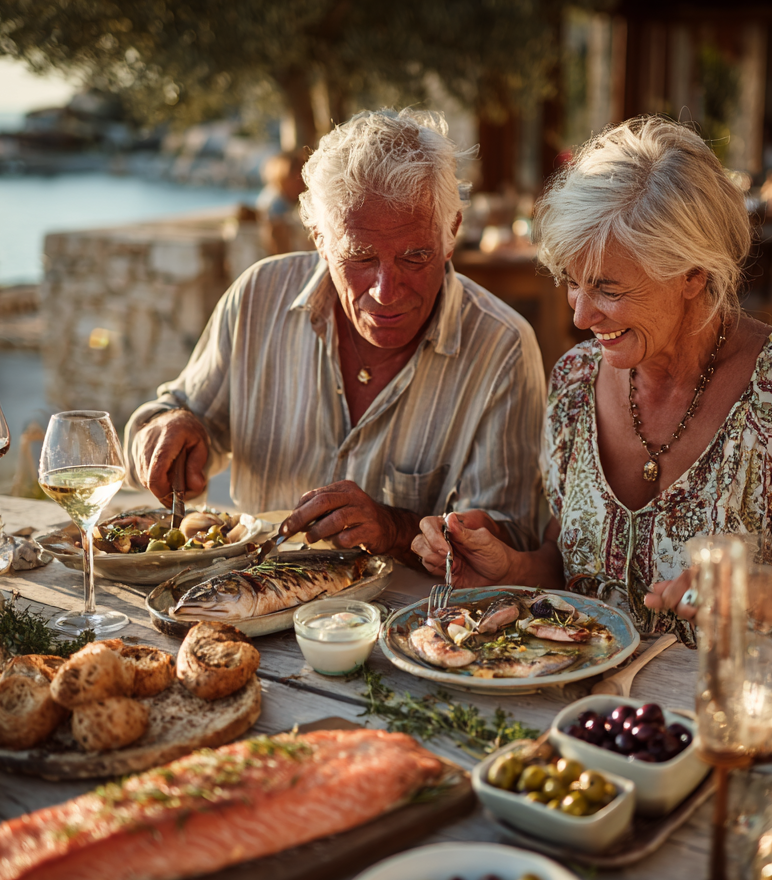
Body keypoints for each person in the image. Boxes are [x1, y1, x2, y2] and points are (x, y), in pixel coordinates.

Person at [413, 117, 772, 685]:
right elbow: (570, 565)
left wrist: (760, 593)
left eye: (608, 289)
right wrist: (508, 567)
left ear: (692, 273)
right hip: (602, 709)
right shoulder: (574, 382)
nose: (580, 316)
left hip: (761, 706)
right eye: (572, 280)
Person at [125, 109, 546, 563]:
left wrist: (395, 527)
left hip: (404, 626)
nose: (385, 291)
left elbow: (515, 536)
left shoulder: (502, 346)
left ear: (452, 233)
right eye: (361, 257)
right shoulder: (257, 297)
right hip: (252, 604)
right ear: (319, 239)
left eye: (415, 257)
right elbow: (179, 421)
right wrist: (164, 432)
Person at [256, 151, 312, 256]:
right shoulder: (274, 205)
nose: (302, 182)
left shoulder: (288, 200)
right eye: (296, 177)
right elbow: (278, 248)